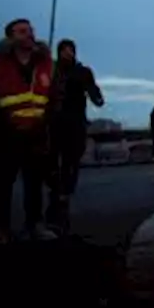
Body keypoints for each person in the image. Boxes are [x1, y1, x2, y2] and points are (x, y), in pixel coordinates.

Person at [0, 18, 57, 247]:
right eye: (22, 31)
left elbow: (54, 98)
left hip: (36, 133)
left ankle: (35, 224)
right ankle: (0, 229)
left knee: (34, 183)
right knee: (1, 184)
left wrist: (48, 127)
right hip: (3, 135)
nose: (30, 34)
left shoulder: (46, 65)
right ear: (10, 37)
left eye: (31, 30)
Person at [46, 39, 105, 231]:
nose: (68, 53)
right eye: (64, 50)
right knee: (52, 159)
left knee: (72, 160)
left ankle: (65, 193)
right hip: (54, 122)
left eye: (70, 50)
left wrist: (96, 97)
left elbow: (93, 89)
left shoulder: (82, 72)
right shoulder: (51, 71)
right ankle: (56, 191)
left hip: (75, 122)